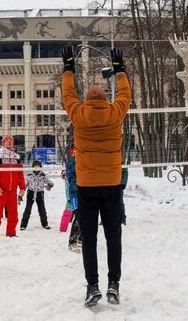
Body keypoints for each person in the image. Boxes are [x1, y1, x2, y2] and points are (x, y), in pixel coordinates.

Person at [61, 45, 131, 307]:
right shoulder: (115, 114)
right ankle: (114, 284)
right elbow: (125, 94)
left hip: (87, 186)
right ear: (105, 100)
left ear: (87, 101)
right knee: (113, 237)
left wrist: (68, 68)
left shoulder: (79, 114)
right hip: (112, 184)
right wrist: (120, 71)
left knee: (89, 238)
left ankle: (92, 286)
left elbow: (68, 94)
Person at [0, 135, 26, 237]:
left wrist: (22, 187)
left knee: (13, 213)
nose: (9, 142)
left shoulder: (16, 157)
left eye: (11, 141)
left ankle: (11, 232)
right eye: (7, 141)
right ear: (3, 143)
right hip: (1, 190)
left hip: (12, 191)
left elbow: (20, 174)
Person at [20, 160, 54, 230]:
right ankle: (23, 225)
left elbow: (49, 182)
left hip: (40, 194)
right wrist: (20, 195)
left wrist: (50, 184)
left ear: (40, 167)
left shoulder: (42, 175)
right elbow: (24, 186)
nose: (36, 167)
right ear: (33, 167)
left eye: (38, 166)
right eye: (35, 166)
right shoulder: (29, 175)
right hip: (31, 193)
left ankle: (45, 224)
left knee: (42, 210)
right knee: (27, 210)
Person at [66, 150, 82, 251]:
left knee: (85, 216)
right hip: (75, 192)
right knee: (78, 215)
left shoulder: (86, 159)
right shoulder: (72, 161)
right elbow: (70, 177)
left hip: (84, 192)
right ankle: (72, 241)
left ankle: (80, 238)